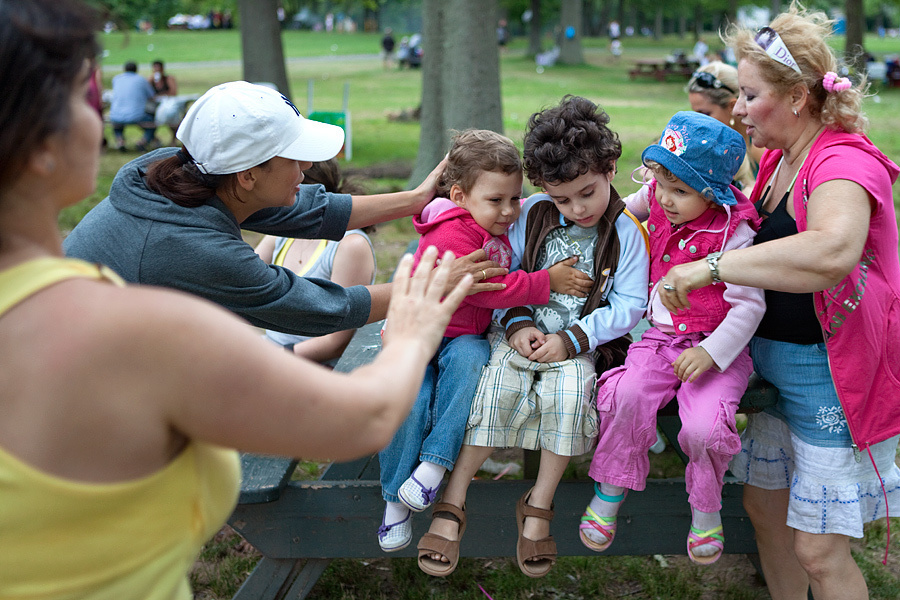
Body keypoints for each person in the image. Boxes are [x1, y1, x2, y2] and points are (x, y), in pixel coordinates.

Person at [0, 1, 472, 598]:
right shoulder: (149, 307)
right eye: (80, 96)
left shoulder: (158, 174)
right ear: (40, 145)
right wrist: (422, 308)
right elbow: (356, 399)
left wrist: (411, 201)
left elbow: (296, 205)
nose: (308, 165)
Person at [661, 4, 900, 598]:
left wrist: (712, 267)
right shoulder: (776, 160)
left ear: (797, 97)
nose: (736, 108)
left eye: (748, 95)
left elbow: (831, 252)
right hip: (769, 363)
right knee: (767, 515)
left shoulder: (841, 162)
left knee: (819, 549)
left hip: (829, 374)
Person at [64, 81, 507, 340]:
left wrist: (415, 200)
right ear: (248, 176)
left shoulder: (184, 171)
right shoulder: (191, 248)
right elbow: (315, 307)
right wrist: (430, 286)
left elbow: (306, 211)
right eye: (293, 158)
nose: (309, 167)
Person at [416, 96, 650, 578]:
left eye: (587, 192)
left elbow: (628, 305)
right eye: (562, 198)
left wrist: (572, 339)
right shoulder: (534, 214)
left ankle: (538, 504)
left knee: (568, 398)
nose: (577, 208)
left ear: (609, 168)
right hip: (519, 331)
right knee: (495, 389)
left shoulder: (625, 233)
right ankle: (454, 496)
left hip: (577, 343)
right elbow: (509, 270)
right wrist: (519, 323)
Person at [376, 129, 593, 553]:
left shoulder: (491, 219)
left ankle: (433, 468)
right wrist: (545, 282)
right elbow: (489, 288)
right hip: (418, 336)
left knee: (471, 370)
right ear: (459, 195)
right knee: (411, 400)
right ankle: (393, 499)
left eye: (515, 198)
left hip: (463, 338)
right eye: (497, 200)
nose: (510, 211)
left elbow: (540, 206)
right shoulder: (451, 232)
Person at [580, 111, 765, 565]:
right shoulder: (658, 196)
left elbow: (750, 306)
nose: (665, 199)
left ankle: (705, 506)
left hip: (717, 346)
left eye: (680, 191)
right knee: (627, 393)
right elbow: (620, 207)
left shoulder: (734, 234)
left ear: (712, 193)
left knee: (703, 427)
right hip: (660, 339)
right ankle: (610, 489)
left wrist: (711, 352)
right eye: (661, 185)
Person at [254, 159, 377, 366]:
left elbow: (335, 342)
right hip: (277, 355)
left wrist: (269, 358)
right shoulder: (283, 232)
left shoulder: (350, 245)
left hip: (314, 370)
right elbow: (240, 279)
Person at [686, 61, 763, 194]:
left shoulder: (758, 144)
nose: (697, 121)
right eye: (694, 112)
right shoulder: (702, 143)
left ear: (732, 106)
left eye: (705, 114)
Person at [108, 60, 157, 152]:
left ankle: (120, 141)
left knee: (117, 121)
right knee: (152, 122)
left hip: (115, 115)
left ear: (124, 69)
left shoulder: (116, 79)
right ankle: (142, 142)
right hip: (136, 115)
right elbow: (152, 96)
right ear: (136, 69)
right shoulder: (141, 80)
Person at [148, 59, 183, 146]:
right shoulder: (151, 80)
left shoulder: (169, 79)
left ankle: (173, 140)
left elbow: (173, 92)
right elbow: (147, 92)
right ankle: (153, 139)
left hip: (167, 104)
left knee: (172, 117)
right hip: (155, 105)